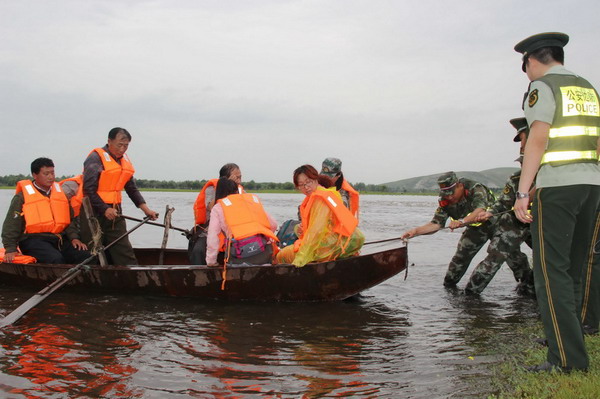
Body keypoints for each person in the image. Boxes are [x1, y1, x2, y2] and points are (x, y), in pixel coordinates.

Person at [513, 32, 600, 372]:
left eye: (526, 69)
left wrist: (523, 191)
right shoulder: (587, 88)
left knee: (551, 274)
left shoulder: (543, 88)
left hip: (558, 187)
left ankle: (566, 360)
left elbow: (537, 139)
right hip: (591, 185)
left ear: (532, 61)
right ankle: (571, 346)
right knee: (575, 271)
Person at [467, 118, 535, 295]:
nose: (521, 146)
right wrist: (489, 213)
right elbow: (502, 203)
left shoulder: (554, 168)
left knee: (550, 259)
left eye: (522, 138)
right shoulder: (515, 179)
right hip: (515, 220)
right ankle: (470, 296)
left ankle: (533, 290)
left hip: (545, 221)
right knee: (496, 255)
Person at [401, 172, 496, 288]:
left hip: (499, 224)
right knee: (459, 260)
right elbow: (436, 224)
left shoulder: (475, 188)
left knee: (509, 256)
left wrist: (462, 222)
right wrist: (416, 231)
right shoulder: (445, 201)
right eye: (446, 194)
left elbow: (480, 210)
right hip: (476, 228)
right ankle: (450, 289)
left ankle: (524, 286)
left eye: (452, 193)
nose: (450, 197)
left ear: (459, 186)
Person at [83, 127, 158, 265]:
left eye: (126, 145)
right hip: (93, 212)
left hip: (115, 212)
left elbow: (131, 188)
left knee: (124, 250)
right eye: (120, 145)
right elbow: (88, 190)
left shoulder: (124, 161)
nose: (123, 149)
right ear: (109, 141)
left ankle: (133, 277)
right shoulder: (95, 158)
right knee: (93, 251)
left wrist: (146, 210)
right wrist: (104, 209)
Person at [1, 157, 91, 264]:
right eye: (46, 174)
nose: (51, 177)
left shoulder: (61, 195)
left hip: (58, 239)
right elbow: (11, 225)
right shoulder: (21, 198)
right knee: (55, 259)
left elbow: (69, 220)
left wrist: (74, 238)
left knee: (85, 256)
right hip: (33, 240)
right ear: (35, 175)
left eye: (52, 173)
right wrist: (10, 248)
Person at [275, 165, 364, 267]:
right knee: (293, 242)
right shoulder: (321, 193)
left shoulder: (320, 198)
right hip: (342, 241)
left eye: (308, 182)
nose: (306, 187)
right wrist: (299, 229)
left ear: (316, 179)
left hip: (331, 243)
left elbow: (316, 232)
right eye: (301, 185)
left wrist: (301, 258)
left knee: (281, 255)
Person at [206, 178, 278, 266]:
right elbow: (273, 224)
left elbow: (212, 238)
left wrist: (211, 261)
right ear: (237, 191)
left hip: (237, 257)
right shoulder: (250, 203)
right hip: (263, 254)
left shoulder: (218, 208)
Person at [189, 163, 243, 265]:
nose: (239, 180)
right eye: (236, 177)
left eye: (240, 177)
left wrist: (234, 188)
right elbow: (211, 207)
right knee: (198, 251)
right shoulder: (211, 189)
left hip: (233, 231)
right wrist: (224, 188)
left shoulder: (239, 190)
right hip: (210, 230)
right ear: (226, 177)